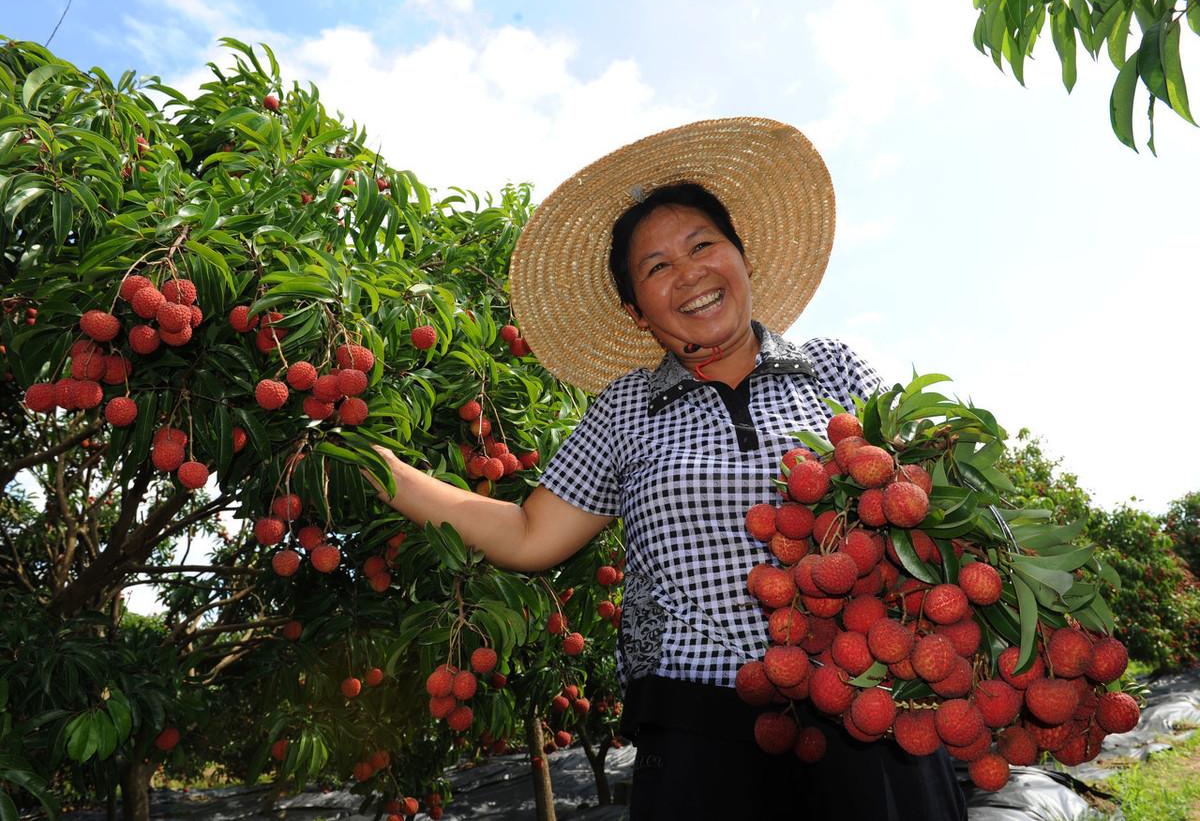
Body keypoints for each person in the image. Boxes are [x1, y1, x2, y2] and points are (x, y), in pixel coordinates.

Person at [366, 117, 968, 820]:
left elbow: (930, 505)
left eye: (703, 245)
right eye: (657, 268)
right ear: (637, 312)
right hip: (699, 736)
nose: (689, 275)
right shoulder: (625, 409)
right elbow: (531, 532)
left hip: (871, 709)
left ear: (742, 257)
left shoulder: (834, 369)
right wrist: (383, 470)